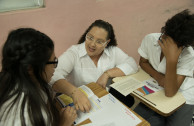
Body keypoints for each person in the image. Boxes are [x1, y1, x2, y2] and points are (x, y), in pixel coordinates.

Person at [50, 19, 138, 112]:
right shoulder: (74, 53)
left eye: (99, 42)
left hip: (103, 99)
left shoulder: (113, 51)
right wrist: (75, 92)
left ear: (107, 43)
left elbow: (132, 64)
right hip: (78, 101)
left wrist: (107, 74)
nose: (92, 44)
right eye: (90, 38)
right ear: (86, 35)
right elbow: (53, 75)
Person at [0, 28, 77, 126]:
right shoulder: (26, 117)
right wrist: (63, 123)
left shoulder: (13, 76)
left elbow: (52, 77)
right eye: (53, 62)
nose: (54, 67)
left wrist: (74, 92)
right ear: (30, 68)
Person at [134, 9, 194, 126]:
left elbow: (170, 92)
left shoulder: (189, 55)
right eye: (164, 37)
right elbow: (143, 62)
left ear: (183, 47)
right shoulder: (150, 39)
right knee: (140, 120)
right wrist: (159, 77)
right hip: (158, 86)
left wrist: (172, 60)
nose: (164, 42)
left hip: (183, 93)